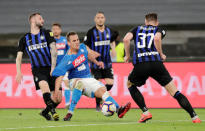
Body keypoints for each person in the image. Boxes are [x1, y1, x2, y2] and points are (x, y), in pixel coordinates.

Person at [123, 13, 201, 123]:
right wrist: (161, 54)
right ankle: (194, 117)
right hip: (156, 64)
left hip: (141, 64)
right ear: (157, 22)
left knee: (130, 84)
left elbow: (126, 39)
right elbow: (157, 38)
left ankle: (146, 112)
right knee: (175, 92)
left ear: (145, 21)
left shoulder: (137, 29)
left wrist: (127, 55)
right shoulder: (159, 29)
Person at [52, 32, 131, 121]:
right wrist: (56, 90)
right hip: (74, 81)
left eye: (77, 39)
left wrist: (97, 62)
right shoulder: (67, 59)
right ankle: (70, 112)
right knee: (79, 83)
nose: (77, 42)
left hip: (88, 78)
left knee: (103, 91)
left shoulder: (82, 47)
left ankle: (118, 110)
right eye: (74, 41)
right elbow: (59, 76)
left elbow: (88, 55)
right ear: (69, 43)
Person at [16, 13, 61, 121]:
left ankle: (45, 112)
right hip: (38, 69)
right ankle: (53, 112)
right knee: (44, 87)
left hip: (51, 67)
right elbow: (19, 57)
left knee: (58, 98)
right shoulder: (24, 39)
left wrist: (53, 67)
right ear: (32, 20)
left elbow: (54, 49)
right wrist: (18, 72)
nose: (43, 20)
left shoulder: (47, 33)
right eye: (40, 18)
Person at [84, 11, 118, 111]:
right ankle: (98, 105)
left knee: (110, 83)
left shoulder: (109, 31)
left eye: (102, 17)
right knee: (97, 84)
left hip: (107, 62)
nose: (100, 19)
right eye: (98, 17)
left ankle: (102, 96)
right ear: (95, 19)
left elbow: (112, 41)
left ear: (104, 19)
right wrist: (91, 52)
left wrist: (114, 50)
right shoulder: (91, 32)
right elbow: (85, 45)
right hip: (95, 64)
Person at [52, 23, 71, 108]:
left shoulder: (64, 40)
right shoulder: (50, 41)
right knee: (56, 87)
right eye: (53, 29)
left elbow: (69, 52)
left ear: (60, 30)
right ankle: (53, 103)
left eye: (57, 29)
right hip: (54, 67)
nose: (55, 30)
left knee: (67, 83)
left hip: (64, 67)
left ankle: (67, 103)